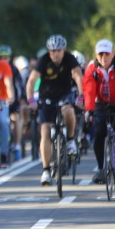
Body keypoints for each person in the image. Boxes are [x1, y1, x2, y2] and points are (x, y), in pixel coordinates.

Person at [25, 34, 83, 186]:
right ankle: (45, 170)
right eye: (52, 51)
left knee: (68, 111)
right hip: (47, 96)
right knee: (45, 130)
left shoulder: (70, 59)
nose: (55, 54)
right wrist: (31, 100)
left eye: (58, 50)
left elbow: (78, 76)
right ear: (48, 51)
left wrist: (81, 96)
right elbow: (31, 81)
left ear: (64, 49)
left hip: (65, 94)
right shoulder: (43, 60)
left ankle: (70, 140)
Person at [83, 39, 115, 183]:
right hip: (100, 103)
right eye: (100, 54)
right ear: (96, 55)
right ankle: (101, 168)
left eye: (107, 54)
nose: (104, 57)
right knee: (98, 132)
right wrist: (89, 110)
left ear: (112, 54)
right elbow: (89, 89)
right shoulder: (92, 68)